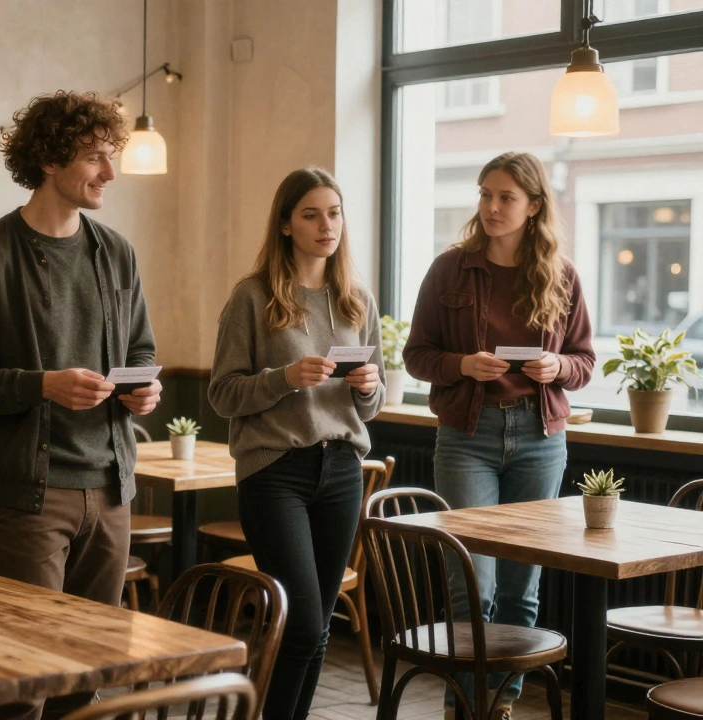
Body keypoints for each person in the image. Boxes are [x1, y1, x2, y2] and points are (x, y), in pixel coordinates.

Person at [0, 90, 160, 720]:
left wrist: (146, 388)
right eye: (94, 157)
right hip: (29, 495)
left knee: (85, 679)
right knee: (22, 681)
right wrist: (42, 384)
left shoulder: (116, 251)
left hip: (112, 486)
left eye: (110, 157)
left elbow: (140, 349)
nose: (109, 174)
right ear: (50, 161)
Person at [403, 151, 594, 720]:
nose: (491, 207)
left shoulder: (561, 275)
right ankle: (462, 703)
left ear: (534, 206)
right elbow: (416, 355)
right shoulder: (449, 269)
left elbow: (584, 360)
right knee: (472, 583)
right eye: (485, 194)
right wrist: (462, 365)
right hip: (468, 435)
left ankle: (501, 705)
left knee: (520, 588)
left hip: (539, 437)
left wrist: (558, 369)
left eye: (505, 197)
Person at [208, 166, 382, 720]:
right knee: (302, 623)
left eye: (333, 212)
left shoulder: (356, 299)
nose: (325, 225)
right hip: (274, 471)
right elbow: (221, 395)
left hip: (342, 470)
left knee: (318, 629)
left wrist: (370, 387)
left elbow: (371, 405)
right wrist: (284, 377)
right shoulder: (253, 296)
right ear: (285, 225)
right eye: (310, 214)